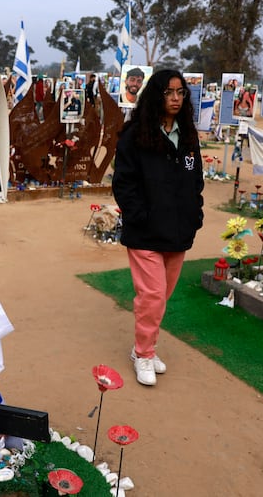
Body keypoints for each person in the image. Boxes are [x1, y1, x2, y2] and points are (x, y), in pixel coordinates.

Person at [112, 69, 204, 386]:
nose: (176, 98)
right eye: (169, 92)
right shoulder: (134, 135)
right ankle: (143, 354)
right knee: (151, 295)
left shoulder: (188, 134)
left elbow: (196, 182)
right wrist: (140, 216)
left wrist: (195, 215)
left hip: (178, 233)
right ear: (156, 95)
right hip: (145, 233)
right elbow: (123, 184)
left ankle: (146, 348)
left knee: (161, 297)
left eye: (180, 92)